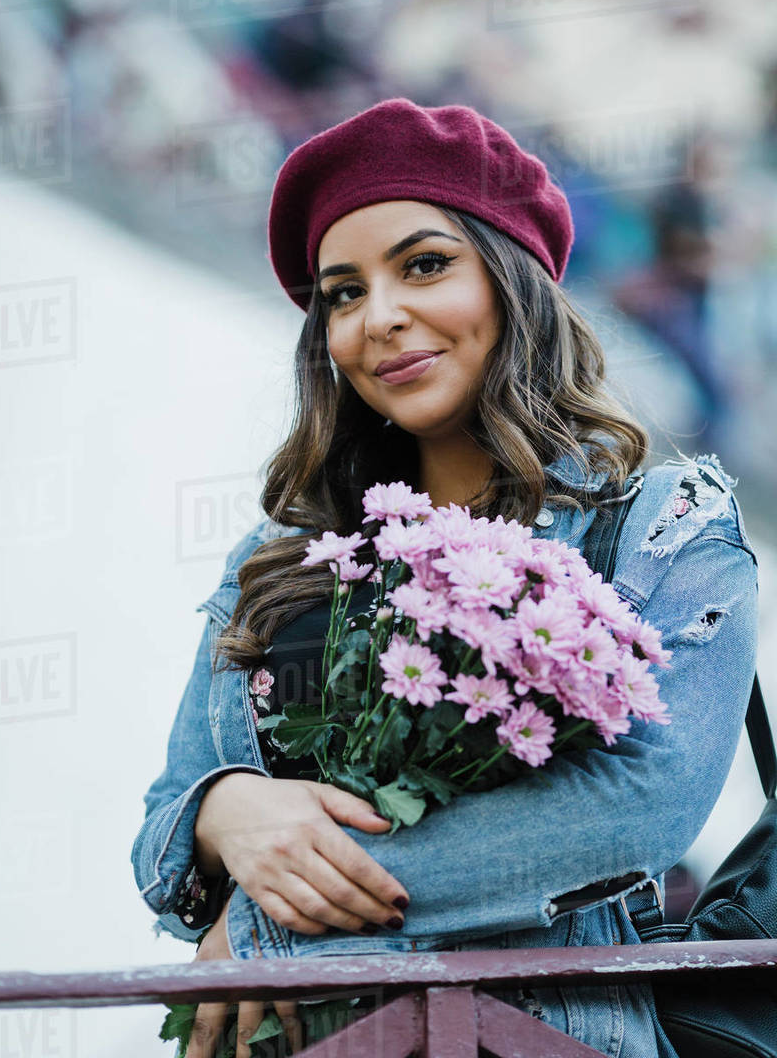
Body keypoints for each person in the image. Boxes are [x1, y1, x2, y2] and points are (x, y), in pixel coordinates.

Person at [131, 99, 759, 1057]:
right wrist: (224, 809)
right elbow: (161, 834)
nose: (379, 316)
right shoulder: (285, 555)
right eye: (341, 293)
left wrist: (273, 925)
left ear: (515, 284)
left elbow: (640, 810)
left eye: (425, 266)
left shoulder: (663, 522)